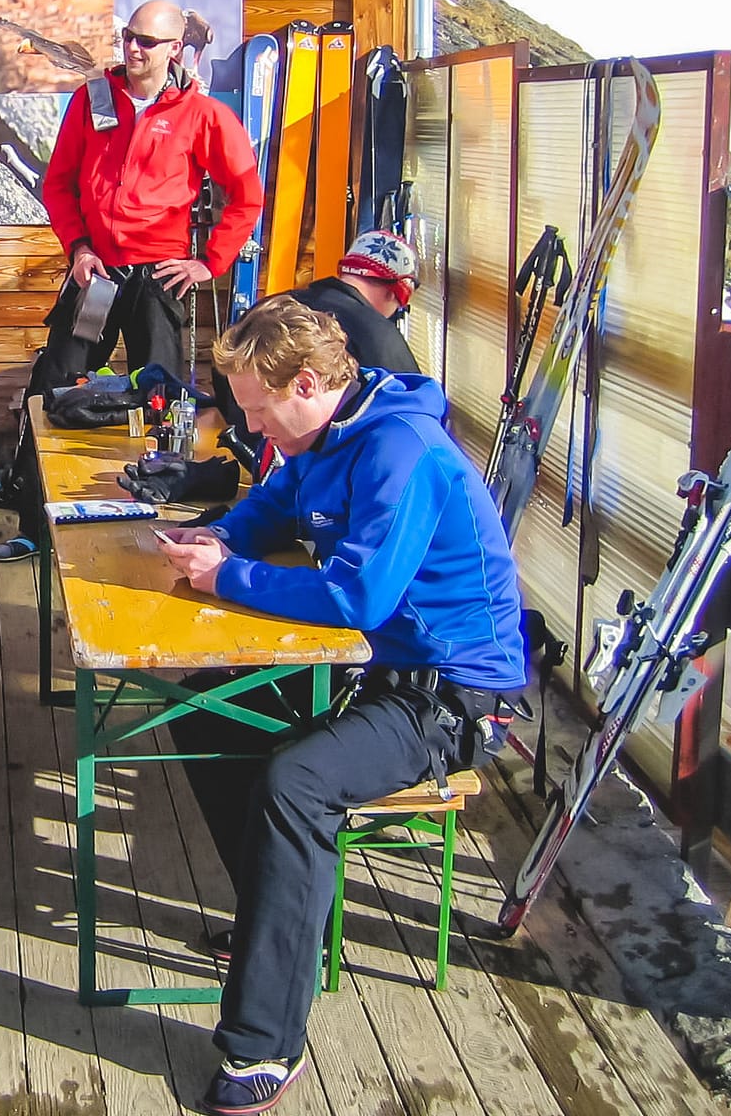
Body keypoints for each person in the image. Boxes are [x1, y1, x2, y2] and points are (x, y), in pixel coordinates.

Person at [159, 297, 524, 1116]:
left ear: (308, 382)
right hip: (373, 666)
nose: (254, 429)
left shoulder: (402, 449)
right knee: (203, 707)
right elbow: (276, 503)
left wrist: (228, 579)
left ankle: (265, 1044)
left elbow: (359, 597)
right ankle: (278, 922)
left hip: (451, 692)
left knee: (297, 783)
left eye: (259, 411)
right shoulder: (321, 435)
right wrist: (225, 539)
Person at [0, 0, 265, 561]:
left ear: (175, 48)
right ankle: (32, 524)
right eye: (129, 37)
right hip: (97, 272)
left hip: (160, 278)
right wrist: (77, 246)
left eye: (147, 41)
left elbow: (246, 195)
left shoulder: (203, 114)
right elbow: (58, 184)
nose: (133, 49)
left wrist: (210, 262)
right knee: (53, 385)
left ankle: (157, 528)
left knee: (161, 401)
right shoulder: (92, 100)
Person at [214, 228, 422, 470]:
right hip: (337, 470)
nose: (254, 425)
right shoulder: (381, 338)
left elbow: (222, 379)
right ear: (398, 291)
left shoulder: (269, 312)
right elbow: (409, 415)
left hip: (261, 465)